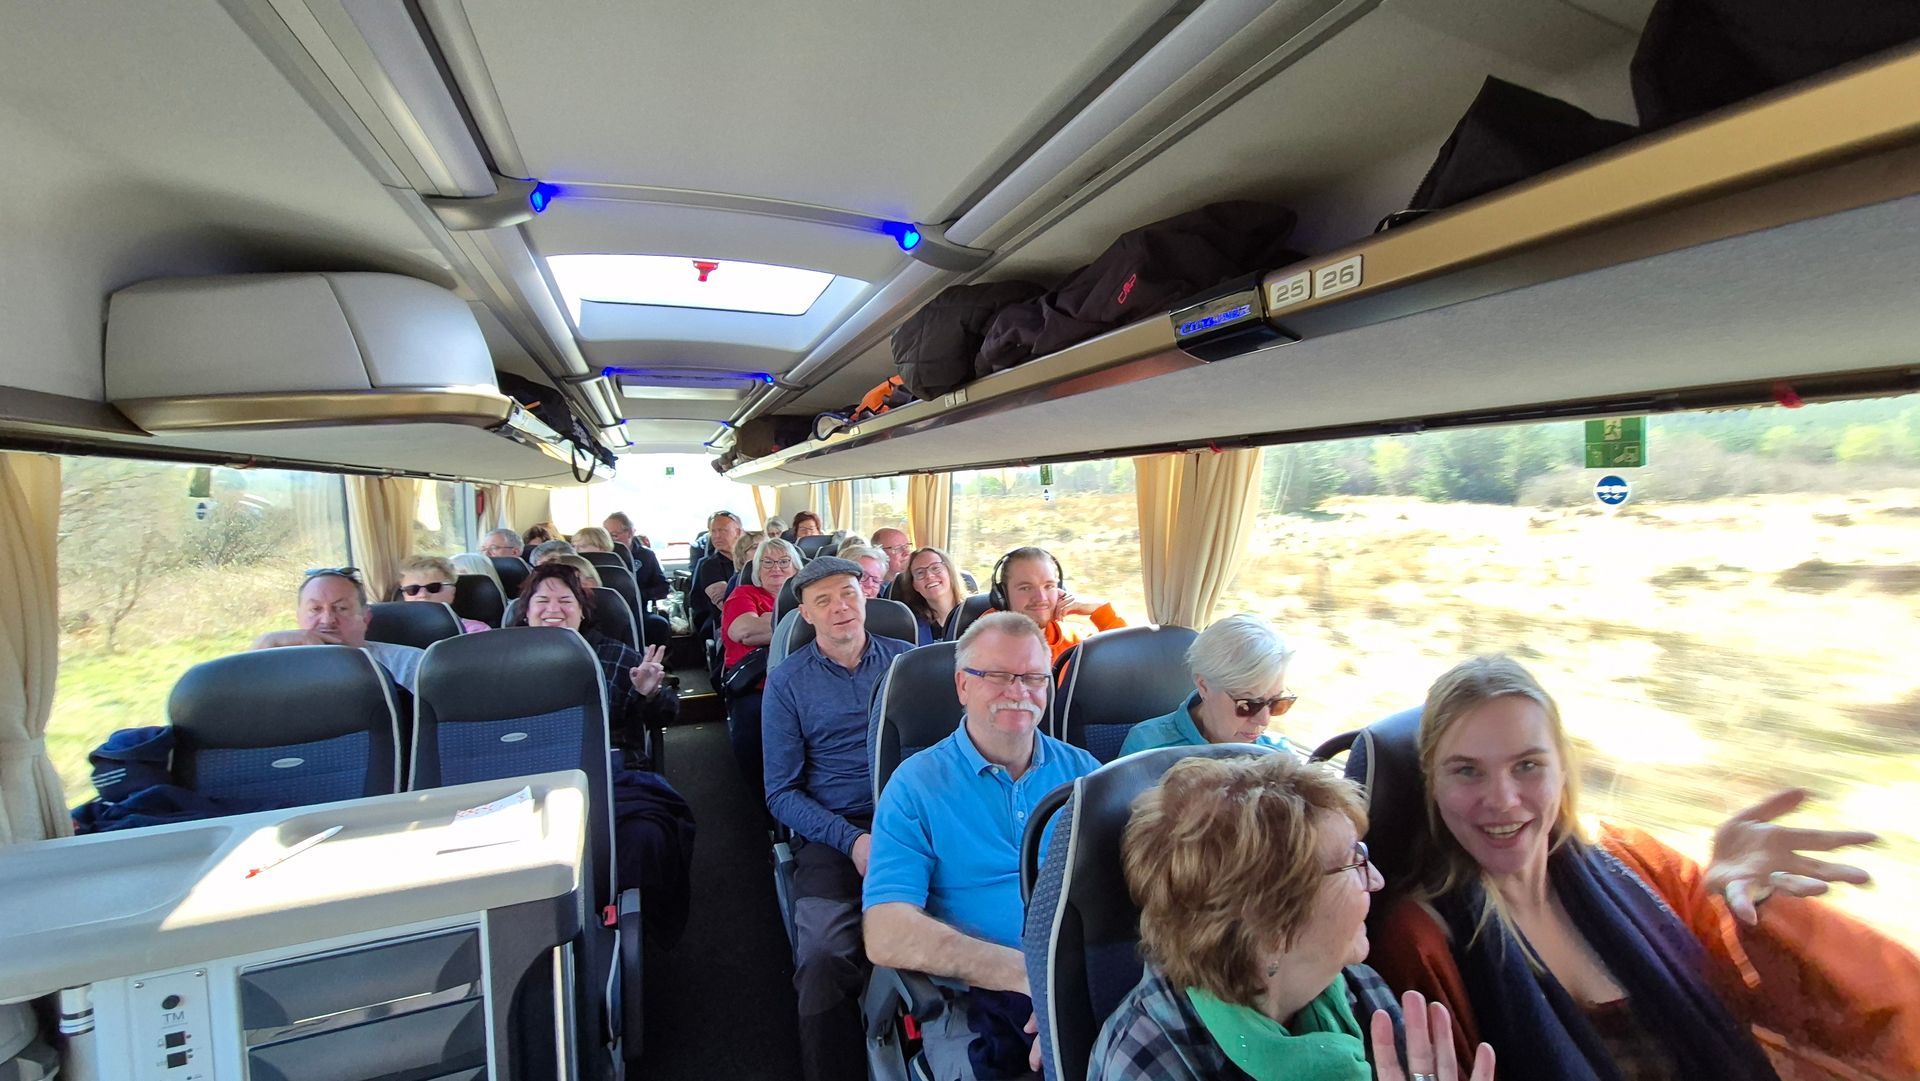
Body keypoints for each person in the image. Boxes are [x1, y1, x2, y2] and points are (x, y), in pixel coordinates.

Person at [1371, 655, 1920, 1080]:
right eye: (1467, 771)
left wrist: (1759, 909)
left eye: (1528, 765)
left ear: (1563, 768)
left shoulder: (1635, 864)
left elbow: (1790, 1019)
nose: (1503, 800)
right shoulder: (1420, 943)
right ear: (1431, 783)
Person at [1090, 752, 1493, 1081]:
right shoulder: (1147, 1060)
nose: (1376, 880)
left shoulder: (1361, 990)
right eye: (1353, 862)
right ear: (1272, 924)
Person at [863, 612, 1103, 1079]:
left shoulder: (1086, 774)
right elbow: (886, 930)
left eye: (1033, 677)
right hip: (971, 999)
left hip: (1083, 981)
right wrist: (1028, 976)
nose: (1019, 690)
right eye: (997, 675)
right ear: (962, 685)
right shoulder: (915, 785)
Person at [761, 556, 916, 1081]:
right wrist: (852, 841)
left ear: (865, 596)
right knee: (824, 954)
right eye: (823, 601)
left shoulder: (908, 663)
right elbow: (781, 793)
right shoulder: (787, 682)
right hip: (834, 830)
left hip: (915, 819)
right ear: (805, 614)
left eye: (848, 593)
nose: (840, 608)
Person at [508, 562, 667, 729]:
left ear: (582, 611)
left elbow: (659, 720)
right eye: (542, 600)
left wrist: (650, 695)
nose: (553, 609)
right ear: (526, 612)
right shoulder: (504, 661)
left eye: (565, 601)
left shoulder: (618, 656)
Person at [1119, 614, 1303, 757]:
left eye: (1276, 703)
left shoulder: (1279, 753)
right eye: (1248, 705)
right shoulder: (1148, 747)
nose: (1264, 720)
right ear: (1204, 686)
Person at [250, 568, 423, 692]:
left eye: (341, 608)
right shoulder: (278, 667)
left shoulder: (411, 665)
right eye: (315, 609)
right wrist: (261, 650)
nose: (327, 620)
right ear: (298, 617)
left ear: (366, 618)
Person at [719, 537, 801, 790]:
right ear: (757, 569)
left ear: (796, 568)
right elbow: (744, 632)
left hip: (802, 680)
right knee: (753, 721)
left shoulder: (807, 596)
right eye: (767, 563)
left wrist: (766, 620)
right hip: (757, 685)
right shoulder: (744, 594)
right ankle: (765, 795)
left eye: (784, 562)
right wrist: (798, 622)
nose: (776, 568)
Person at [989, 546, 1127, 663]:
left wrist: (1100, 609)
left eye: (1049, 586)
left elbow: (1129, 655)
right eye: (1026, 588)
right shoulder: (984, 645)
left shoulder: (1074, 640)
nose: (1041, 598)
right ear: (1002, 596)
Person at [397, 554, 488, 634]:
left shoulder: (476, 631)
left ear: (452, 591)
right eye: (412, 589)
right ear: (404, 595)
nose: (423, 595)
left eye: (433, 587)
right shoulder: (394, 630)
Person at [897, 546, 970, 645]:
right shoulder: (911, 627)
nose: (929, 576)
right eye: (920, 573)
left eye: (935, 568)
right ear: (914, 585)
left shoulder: (975, 614)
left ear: (950, 573)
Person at [691, 510, 745, 635]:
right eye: (713, 531)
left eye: (722, 531)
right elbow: (727, 604)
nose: (716, 536)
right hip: (720, 620)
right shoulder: (709, 565)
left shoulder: (751, 561)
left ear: (738, 532)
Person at [604, 511, 670, 604]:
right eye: (605, 536)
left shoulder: (646, 556)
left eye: (614, 535)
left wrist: (638, 596)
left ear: (630, 533)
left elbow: (663, 588)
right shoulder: (602, 557)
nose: (609, 540)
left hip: (639, 607)